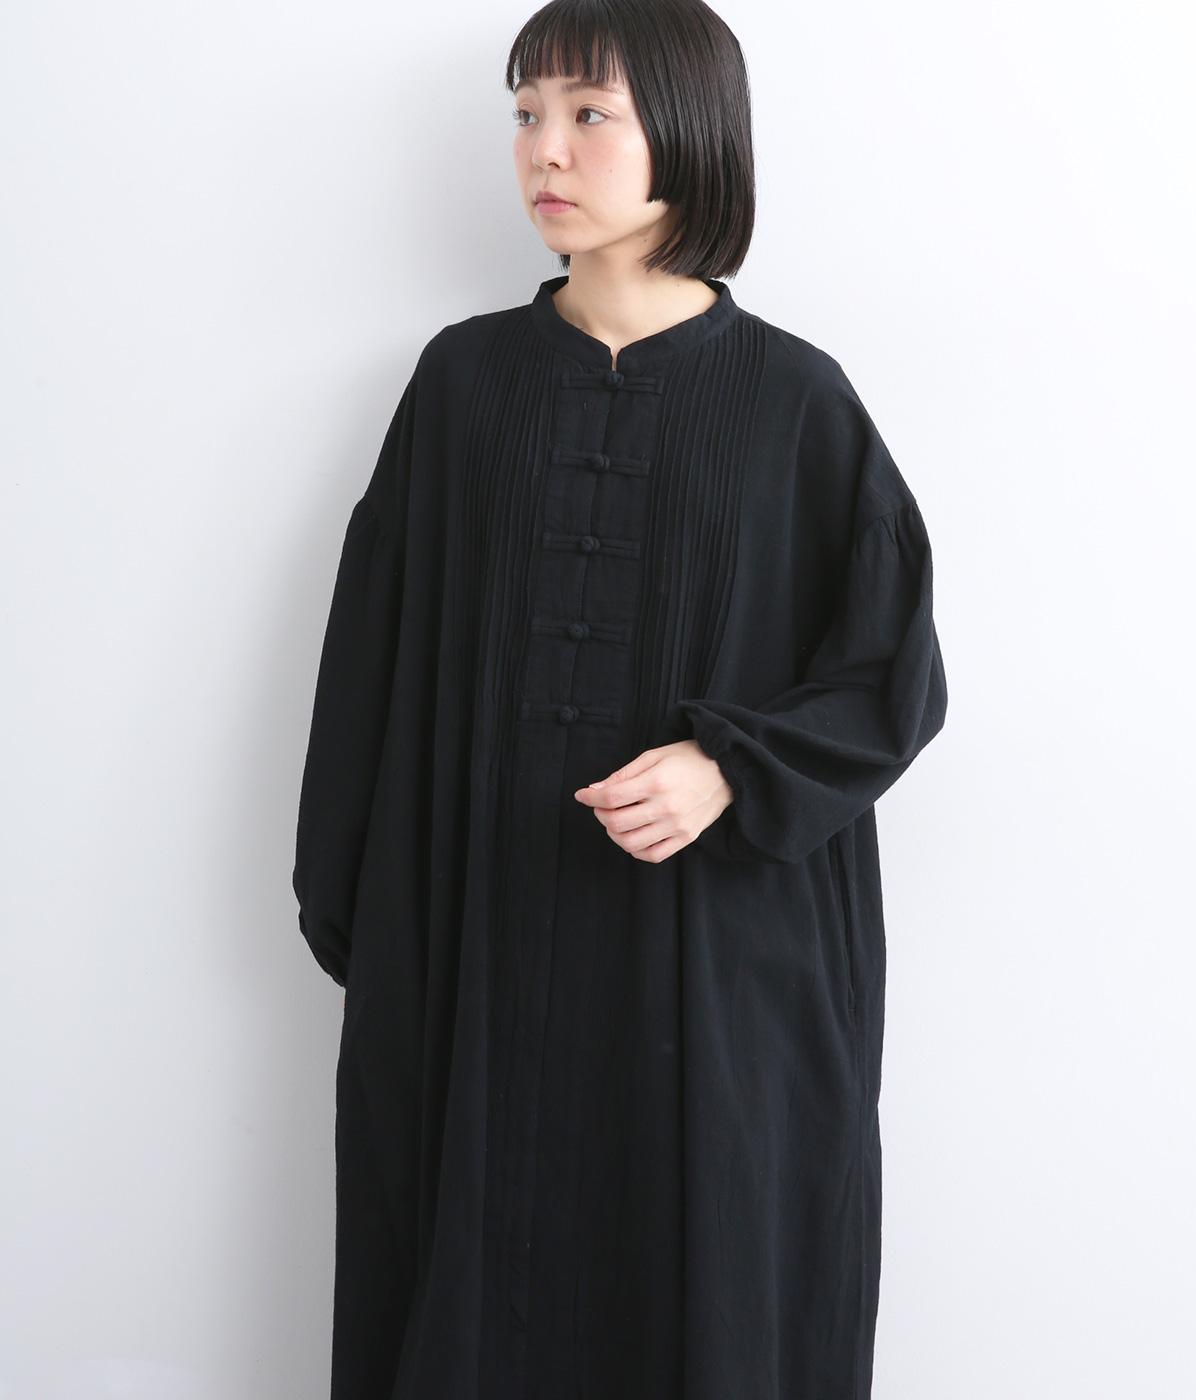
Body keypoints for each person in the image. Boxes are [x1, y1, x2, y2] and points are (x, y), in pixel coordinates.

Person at [291, 1, 949, 1396]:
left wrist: (730, 767)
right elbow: (372, 656)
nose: (545, 149)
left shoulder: (796, 402)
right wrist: (370, 919)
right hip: (483, 947)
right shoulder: (462, 384)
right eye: (526, 113)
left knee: (714, 1291)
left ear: (692, 134)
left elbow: (894, 671)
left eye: (590, 114)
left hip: (722, 967)